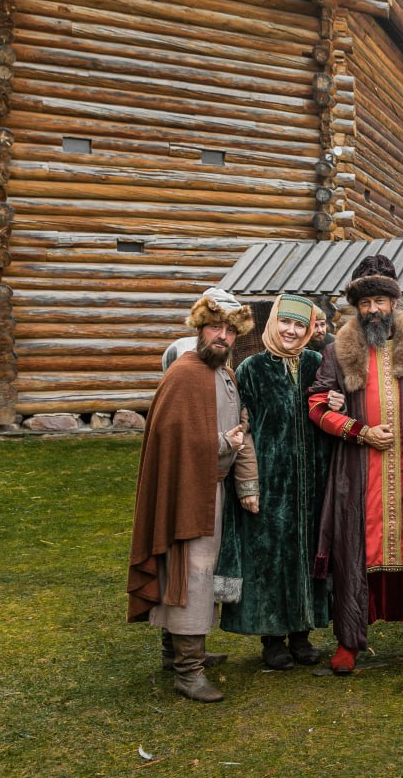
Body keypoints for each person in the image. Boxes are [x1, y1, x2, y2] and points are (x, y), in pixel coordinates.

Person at [307, 255, 403, 675]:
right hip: (358, 473)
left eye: (381, 300)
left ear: (395, 302)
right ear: (357, 307)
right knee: (354, 548)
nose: (373, 309)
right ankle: (349, 641)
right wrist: (359, 431)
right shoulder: (340, 352)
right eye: (366, 302)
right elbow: (317, 406)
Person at [128, 288, 259, 703]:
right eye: (214, 328)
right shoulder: (184, 373)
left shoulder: (223, 372)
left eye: (228, 331)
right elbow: (173, 439)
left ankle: (176, 652)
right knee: (193, 573)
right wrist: (223, 442)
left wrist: (234, 449)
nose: (221, 336)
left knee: (195, 572)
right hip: (186, 490)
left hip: (211, 487)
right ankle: (188, 670)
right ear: (200, 328)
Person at [217, 294, 333, 670]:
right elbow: (243, 430)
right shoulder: (251, 369)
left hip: (313, 481)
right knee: (271, 559)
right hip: (270, 482)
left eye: (300, 325)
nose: (291, 330)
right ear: (273, 323)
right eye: (286, 322)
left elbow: (332, 410)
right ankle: (273, 639)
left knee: (307, 554)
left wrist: (337, 402)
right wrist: (248, 484)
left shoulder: (318, 363)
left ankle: (302, 634)